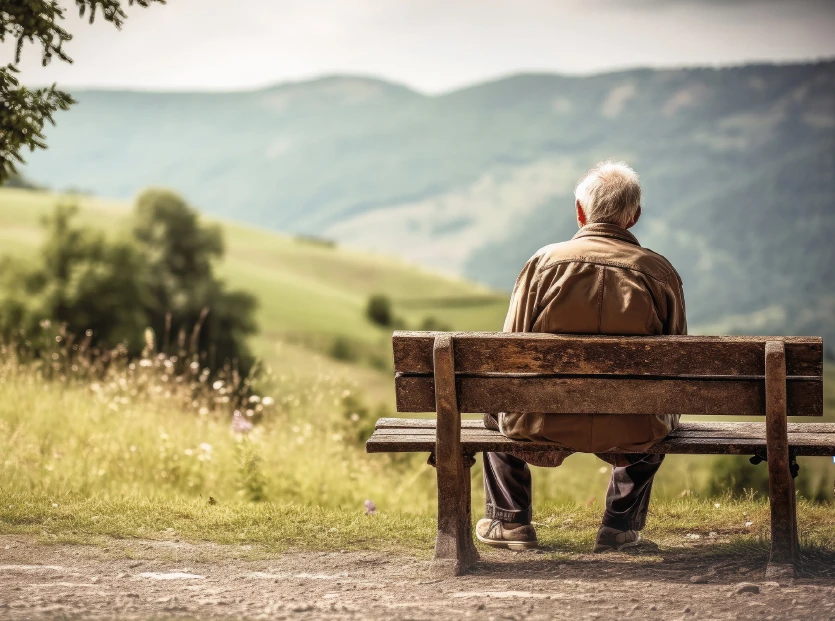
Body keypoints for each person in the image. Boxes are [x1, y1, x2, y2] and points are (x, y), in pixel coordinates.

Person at [475, 161, 687, 553]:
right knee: (664, 410)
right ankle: (619, 526)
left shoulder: (543, 265)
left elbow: (509, 354)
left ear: (580, 211)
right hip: (633, 427)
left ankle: (511, 521)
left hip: (540, 422)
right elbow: (676, 366)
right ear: (634, 216)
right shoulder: (659, 273)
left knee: (494, 404)